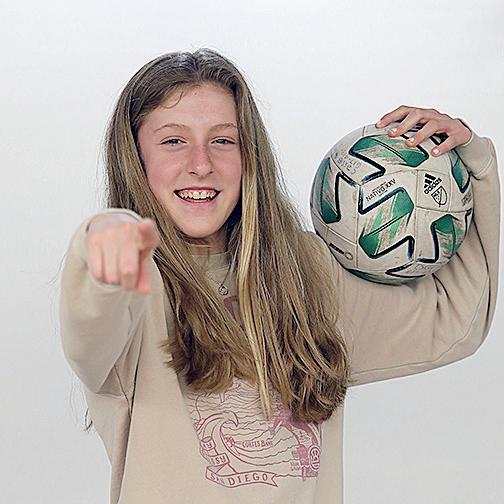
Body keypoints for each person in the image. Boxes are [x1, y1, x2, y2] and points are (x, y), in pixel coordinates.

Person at [59, 48, 500, 504]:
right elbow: (91, 329)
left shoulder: (306, 274)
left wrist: (470, 166)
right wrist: (104, 244)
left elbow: (454, 319)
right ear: (135, 158)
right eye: (173, 141)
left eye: (223, 140)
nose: (201, 163)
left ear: (250, 154)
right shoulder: (137, 290)